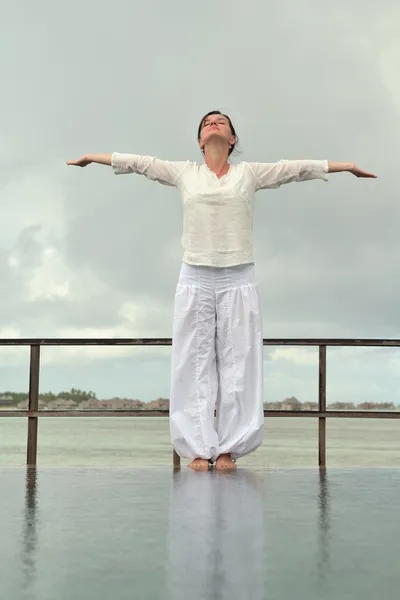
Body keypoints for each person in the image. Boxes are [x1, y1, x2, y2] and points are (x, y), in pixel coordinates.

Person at [67, 110, 377, 471]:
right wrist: (92, 158)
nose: (213, 123)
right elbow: (141, 163)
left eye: (221, 121)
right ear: (200, 140)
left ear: (232, 139)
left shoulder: (249, 174)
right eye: (206, 122)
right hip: (195, 276)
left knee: (238, 363)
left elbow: (295, 168)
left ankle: (229, 447)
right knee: (192, 363)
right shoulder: (185, 174)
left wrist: (347, 166)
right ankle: (198, 449)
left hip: (238, 276)